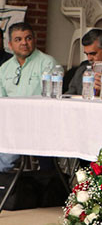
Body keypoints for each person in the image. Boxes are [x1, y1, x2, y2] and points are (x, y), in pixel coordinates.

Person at [0, 22, 57, 172]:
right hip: (10, 124)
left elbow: (51, 100)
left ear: (34, 40)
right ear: (10, 44)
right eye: (18, 39)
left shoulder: (47, 63)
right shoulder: (4, 69)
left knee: (4, 160)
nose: (24, 43)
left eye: (28, 38)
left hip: (39, 123)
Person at [66, 29, 102, 95]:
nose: (89, 58)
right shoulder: (83, 67)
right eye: (86, 54)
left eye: (93, 54)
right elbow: (70, 95)